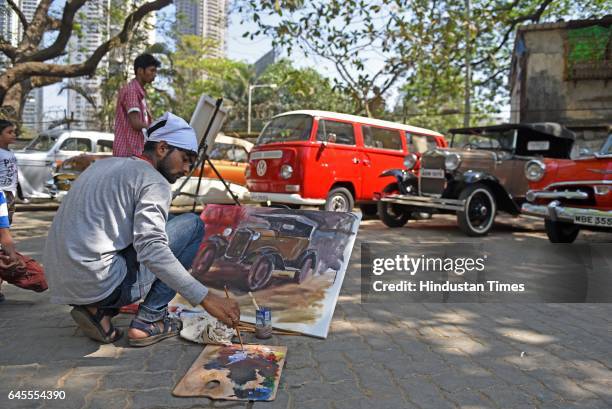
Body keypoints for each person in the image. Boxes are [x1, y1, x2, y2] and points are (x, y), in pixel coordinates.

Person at [43, 112, 239, 346]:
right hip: (98, 282)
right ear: (163, 148)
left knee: (167, 224)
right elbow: (152, 250)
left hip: (63, 281)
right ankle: (150, 320)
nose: (187, 169)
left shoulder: (103, 166)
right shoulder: (154, 181)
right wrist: (206, 297)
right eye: (186, 158)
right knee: (192, 225)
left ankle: (99, 313)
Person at [113, 53, 160, 157]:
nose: (154, 74)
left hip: (133, 152)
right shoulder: (132, 91)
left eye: (155, 71)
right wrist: (155, 127)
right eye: (151, 70)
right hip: (127, 153)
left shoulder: (139, 92)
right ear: (140, 71)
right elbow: (135, 123)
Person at [0, 120, 18, 302]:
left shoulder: (9, 153)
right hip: (1, 195)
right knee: (4, 236)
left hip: (9, 196)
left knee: (3, 237)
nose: (13, 134)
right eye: (9, 132)